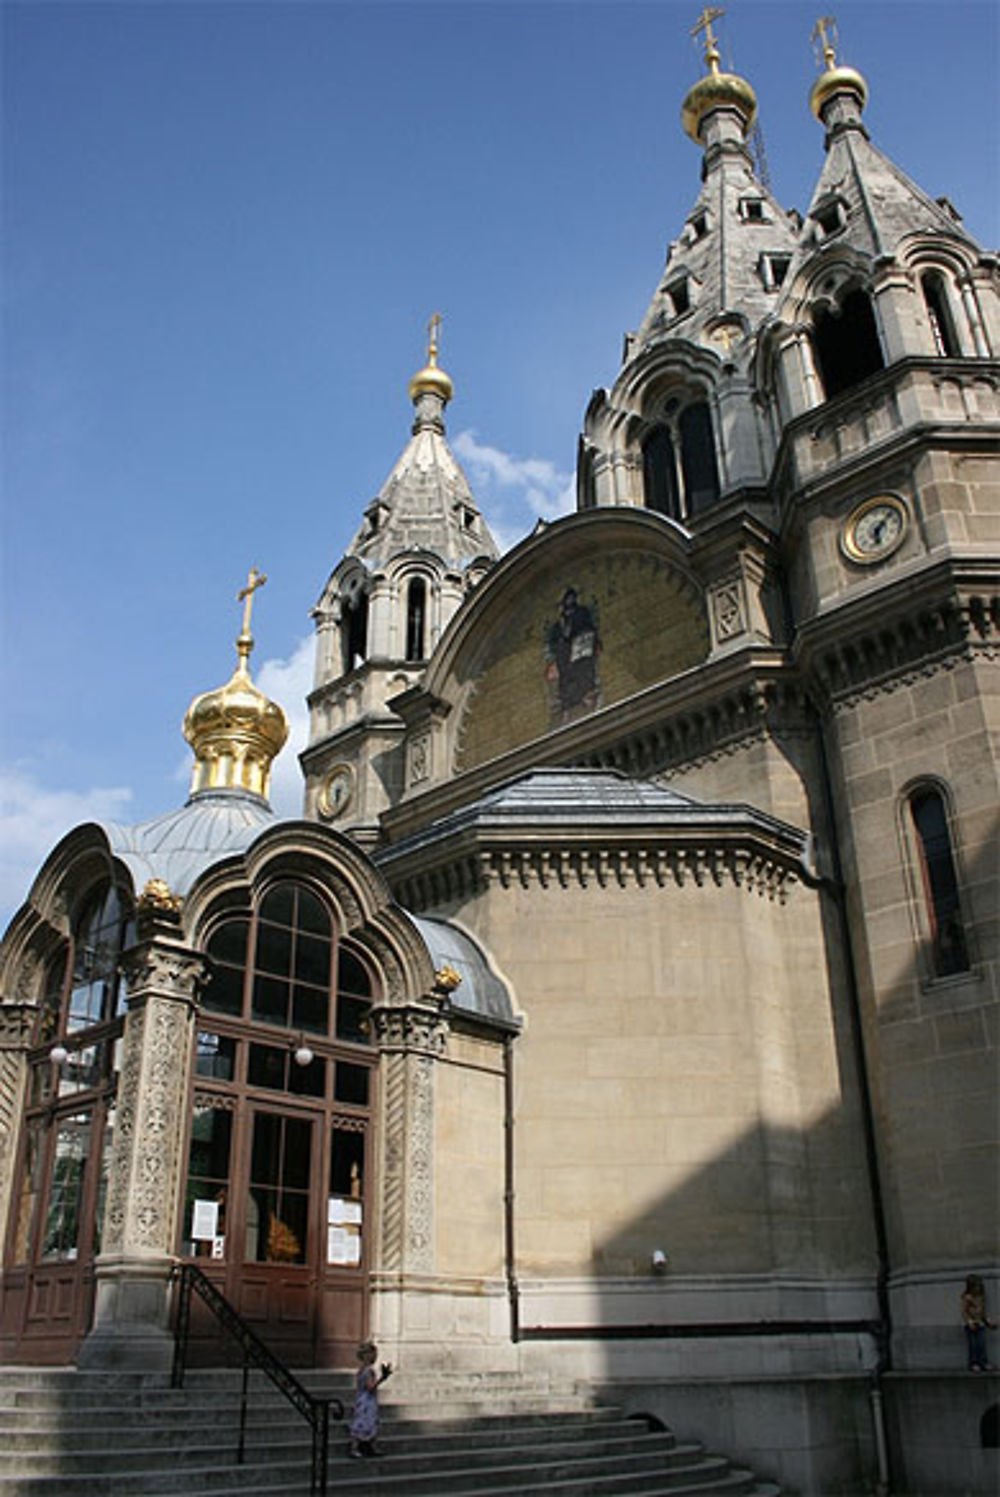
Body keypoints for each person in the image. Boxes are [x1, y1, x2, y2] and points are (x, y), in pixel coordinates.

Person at [348, 1340, 393, 1457]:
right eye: (374, 1354)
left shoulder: (361, 1369)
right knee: (366, 1421)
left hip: (361, 1398)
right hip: (367, 1401)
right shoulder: (369, 1371)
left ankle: (369, 1446)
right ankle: (358, 1447)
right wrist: (382, 1379)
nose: (376, 1357)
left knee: (365, 1421)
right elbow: (370, 1387)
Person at [961, 1273, 996, 1371]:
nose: (977, 1289)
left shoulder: (981, 1297)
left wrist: (987, 1321)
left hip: (980, 1323)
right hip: (971, 1324)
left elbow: (982, 1311)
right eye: (975, 1287)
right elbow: (964, 1312)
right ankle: (973, 1363)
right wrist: (969, 1321)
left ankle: (983, 1362)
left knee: (981, 1344)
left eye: (979, 1287)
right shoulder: (967, 1297)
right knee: (973, 1345)